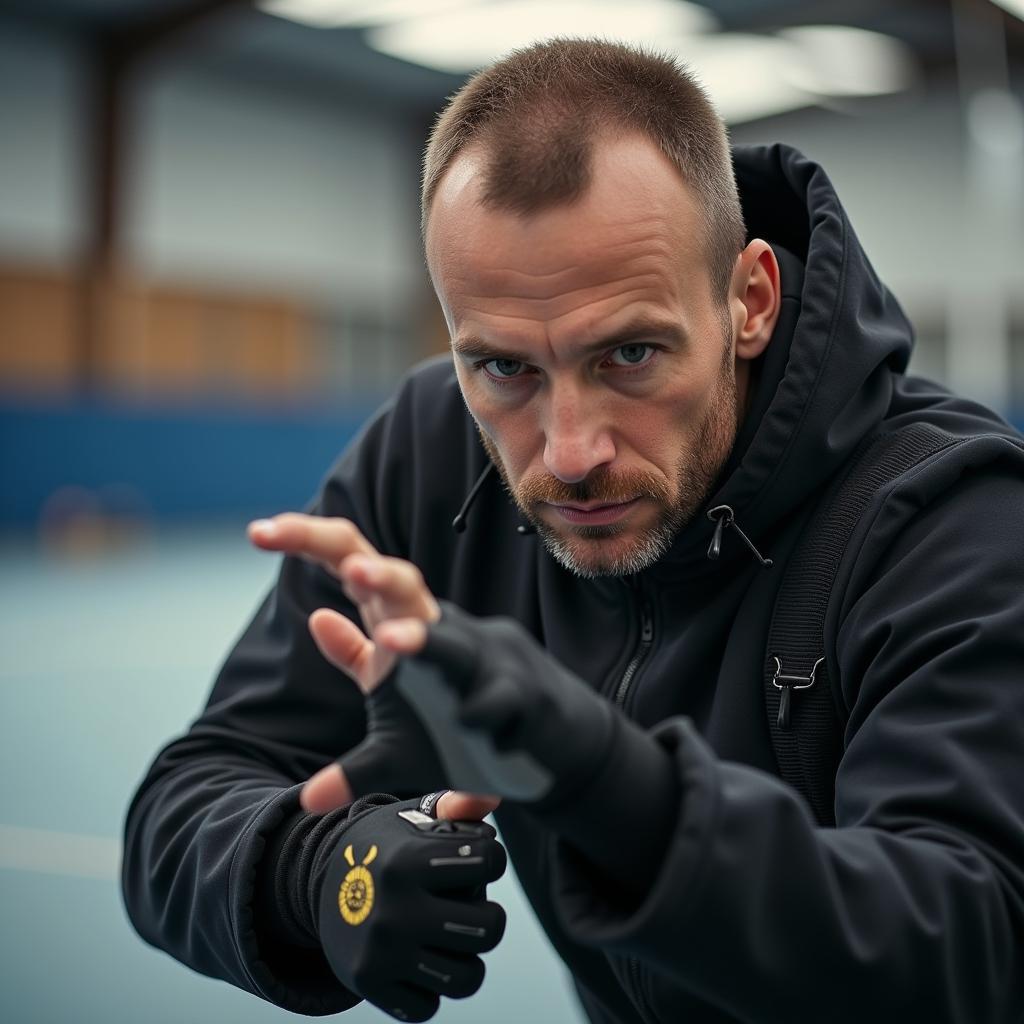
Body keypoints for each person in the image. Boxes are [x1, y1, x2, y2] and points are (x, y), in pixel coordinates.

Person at [122, 38, 1024, 1024]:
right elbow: (178, 810)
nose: (567, 452)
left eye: (629, 353)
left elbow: (973, 941)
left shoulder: (945, 513)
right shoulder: (434, 454)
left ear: (748, 300)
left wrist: (614, 787)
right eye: (503, 368)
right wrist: (310, 869)